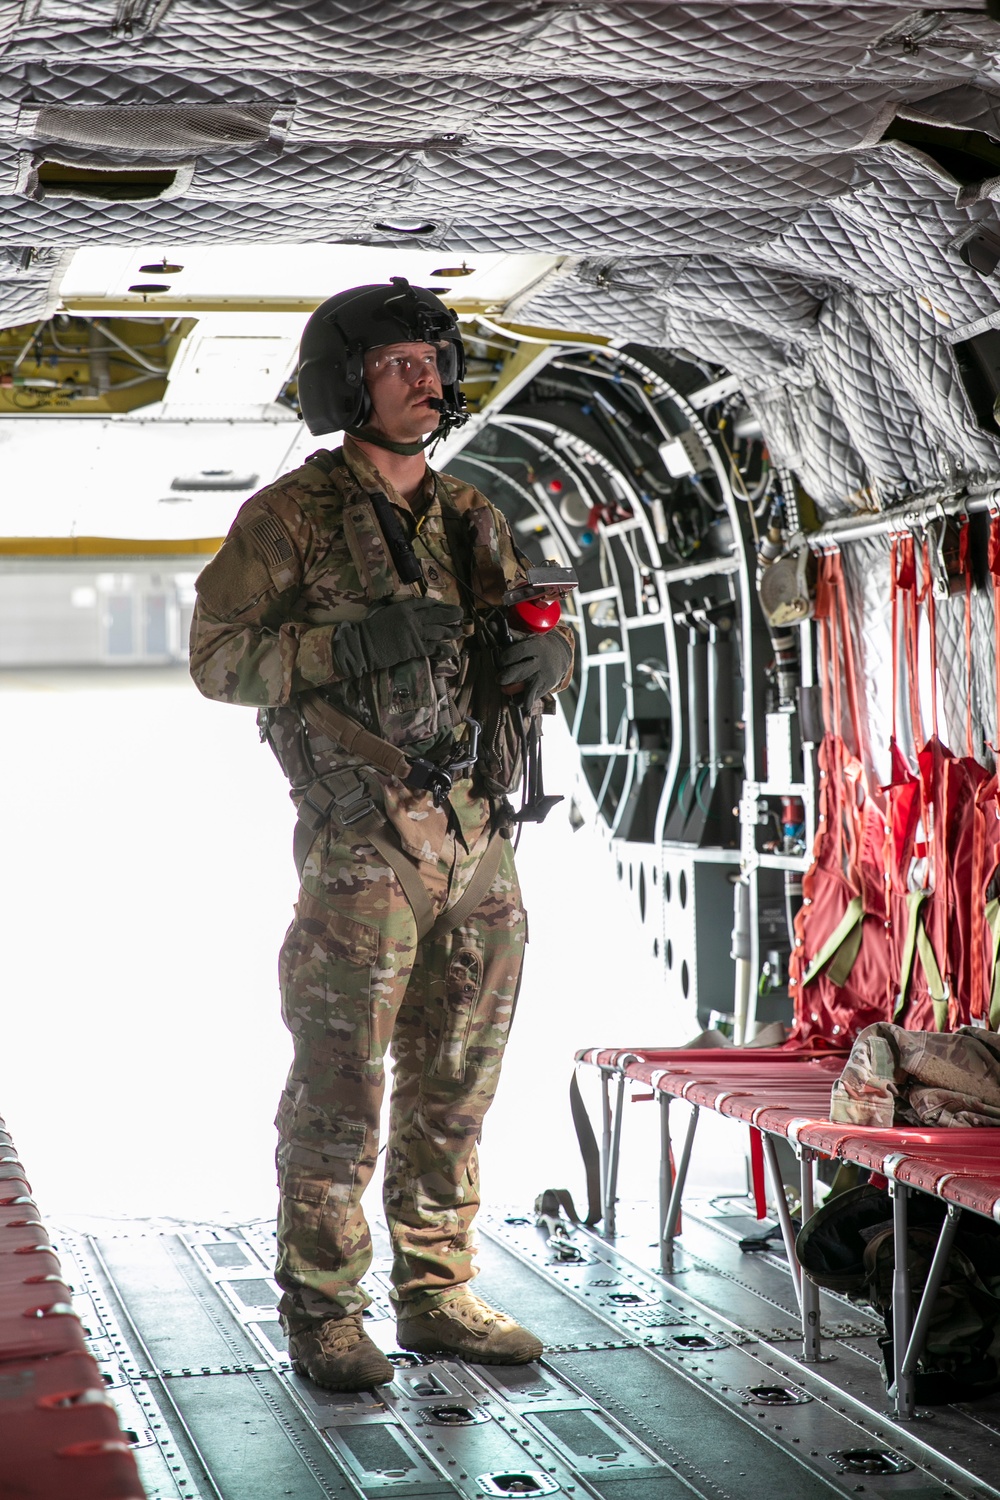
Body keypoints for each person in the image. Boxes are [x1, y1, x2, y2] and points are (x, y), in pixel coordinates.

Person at [189, 278, 573, 1392]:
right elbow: (220, 662)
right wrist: (340, 651)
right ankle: (323, 1313)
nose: (425, 380)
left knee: (457, 1083)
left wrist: (558, 657)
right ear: (346, 382)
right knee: (341, 1089)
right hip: (365, 848)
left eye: (433, 362)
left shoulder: (469, 517)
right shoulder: (288, 520)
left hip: (479, 845)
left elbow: (525, 630)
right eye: (399, 363)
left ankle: (437, 1291)